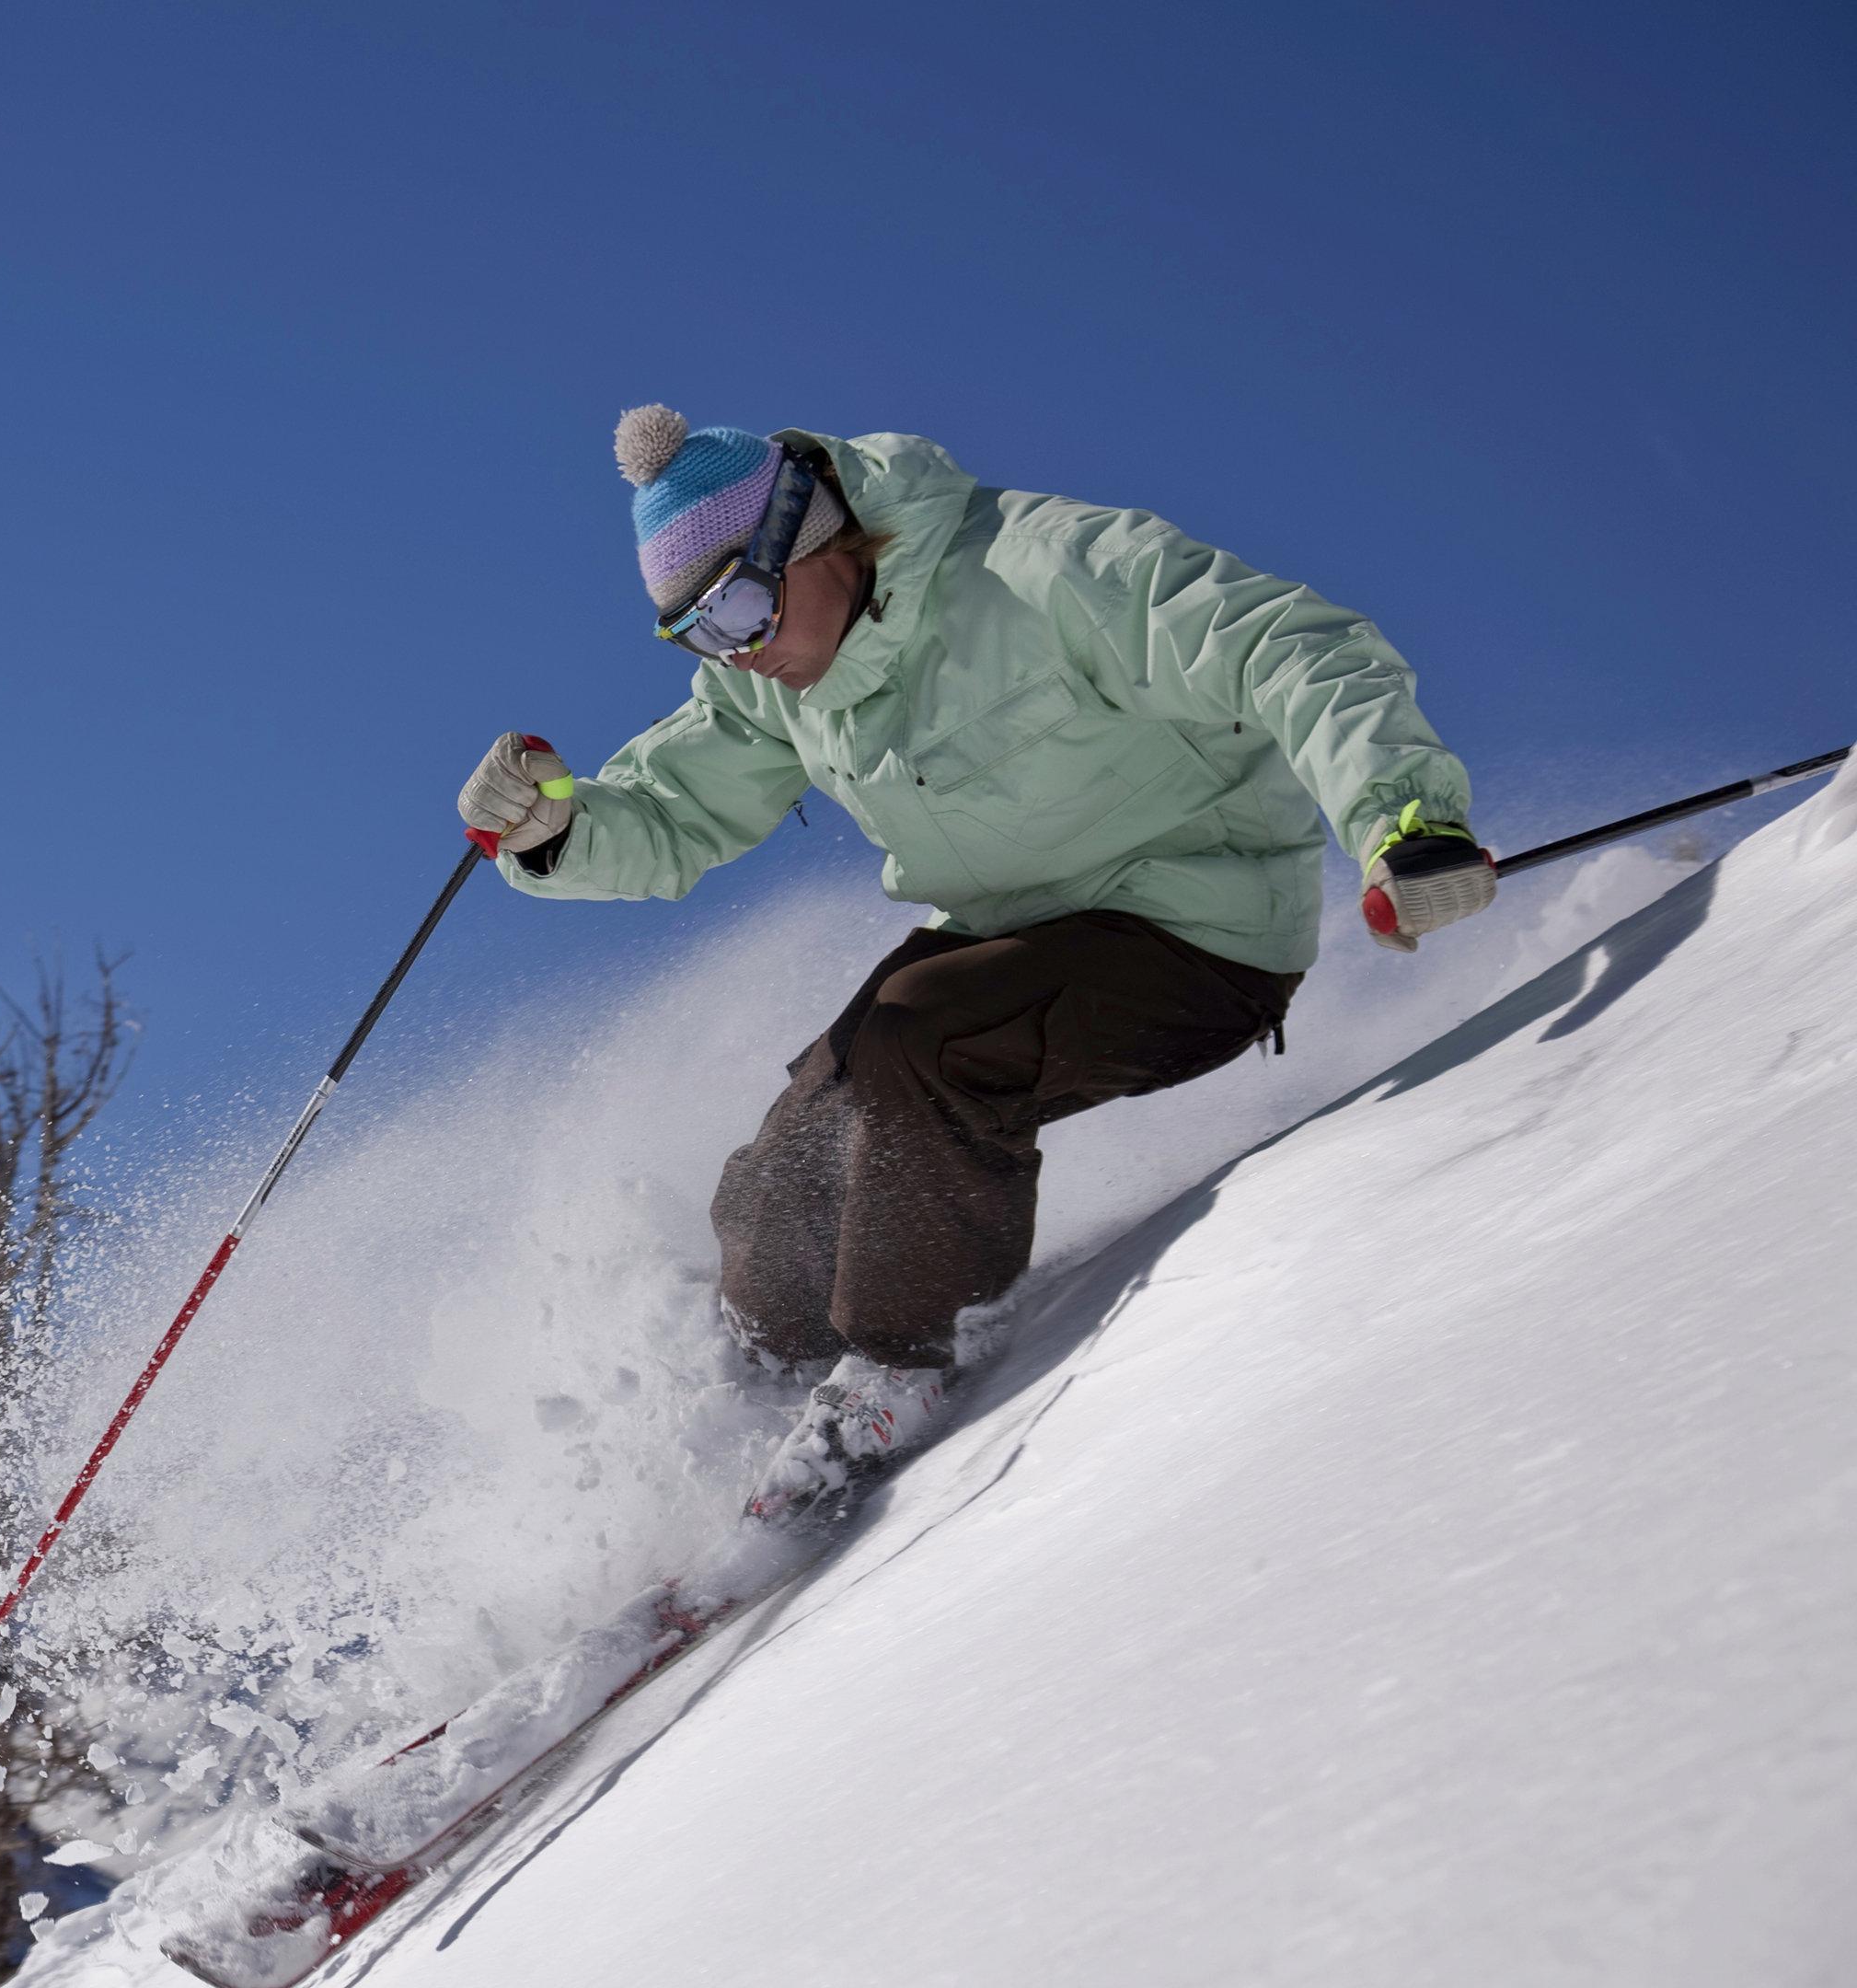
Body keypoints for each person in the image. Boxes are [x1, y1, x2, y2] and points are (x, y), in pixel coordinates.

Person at [458, 409, 1496, 1524]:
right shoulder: (774, 683)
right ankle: (757, 1394)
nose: (743, 651)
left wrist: (1404, 820)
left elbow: (1285, 646)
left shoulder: (1039, 567)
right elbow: (671, 806)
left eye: (743, 608)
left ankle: (902, 1362)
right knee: (784, 1172)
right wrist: (549, 831)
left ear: (815, 534)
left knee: (920, 1035)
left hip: (1204, 924)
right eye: (701, 637)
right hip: (1012, 939)